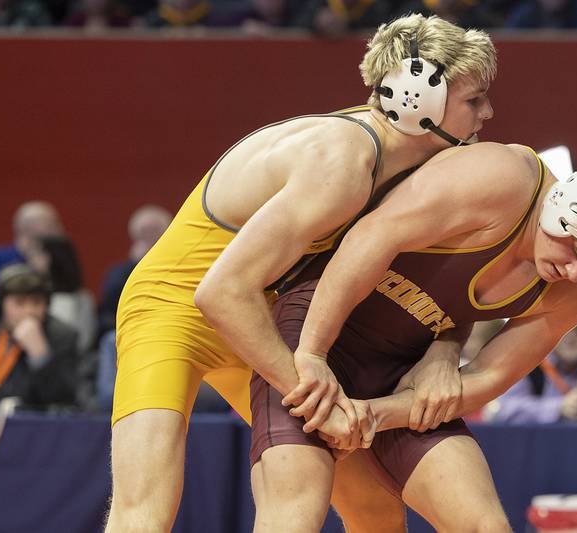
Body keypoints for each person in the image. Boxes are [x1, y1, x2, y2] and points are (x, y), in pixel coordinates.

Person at [106, 14, 497, 532]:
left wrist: (446, 348)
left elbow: (439, 287)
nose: (488, 113)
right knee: (146, 512)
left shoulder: (415, 168)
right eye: (474, 100)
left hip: (260, 322)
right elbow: (219, 292)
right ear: (416, 99)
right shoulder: (341, 164)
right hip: (175, 311)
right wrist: (310, 387)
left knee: (372, 505)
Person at [249, 146, 577, 531]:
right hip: (318, 326)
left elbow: (489, 376)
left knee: (486, 526)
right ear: (562, 208)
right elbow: (370, 237)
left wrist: (374, 414)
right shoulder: (500, 179)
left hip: (401, 372)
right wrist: (314, 354)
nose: (576, 274)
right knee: (297, 505)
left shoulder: (575, 294)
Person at [0, 264, 79, 409]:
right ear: (0, 305)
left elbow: (66, 400)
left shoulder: (62, 336)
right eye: (19, 303)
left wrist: (40, 356)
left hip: (32, 426)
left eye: (37, 302)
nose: (29, 311)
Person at [0, 200, 64, 310]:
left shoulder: (57, 259)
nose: (60, 230)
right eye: (52, 224)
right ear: (31, 227)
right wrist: (35, 271)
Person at [98, 204, 172, 337]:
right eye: (144, 231)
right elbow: (109, 306)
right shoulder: (119, 272)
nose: (150, 236)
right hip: (127, 328)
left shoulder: (178, 265)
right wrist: (136, 264)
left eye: (155, 230)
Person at [29, 235, 98, 354]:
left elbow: (82, 342)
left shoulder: (78, 299)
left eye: (38, 254)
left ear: (52, 258)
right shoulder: (31, 294)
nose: (31, 260)